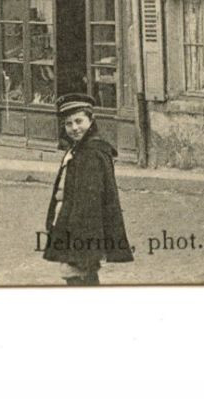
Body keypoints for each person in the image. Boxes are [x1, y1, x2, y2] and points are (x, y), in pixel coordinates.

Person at [42, 92, 133, 285]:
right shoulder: (78, 149)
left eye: (79, 121)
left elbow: (89, 204)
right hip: (70, 224)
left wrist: (81, 242)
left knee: (77, 275)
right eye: (69, 124)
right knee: (81, 276)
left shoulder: (91, 153)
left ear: (91, 121)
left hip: (80, 230)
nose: (74, 128)